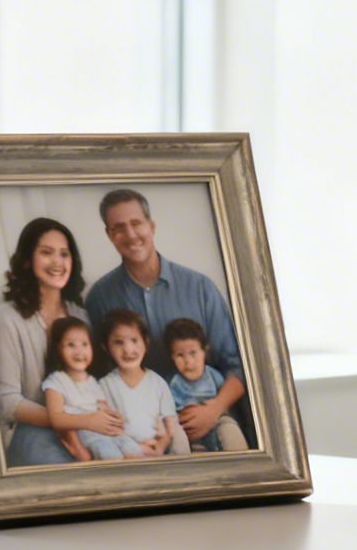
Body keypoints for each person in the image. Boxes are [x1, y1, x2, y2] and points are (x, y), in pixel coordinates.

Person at [84, 188, 250, 448]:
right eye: (118, 228)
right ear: (109, 235)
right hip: (141, 433)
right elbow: (96, 377)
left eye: (136, 223)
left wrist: (213, 410)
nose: (130, 235)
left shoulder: (200, 288)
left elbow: (238, 365)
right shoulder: (99, 298)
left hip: (210, 414)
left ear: (151, 226)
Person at [0, 217, 119, 467]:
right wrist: (78, 420)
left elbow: (94, 383)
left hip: (87, 429)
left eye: (64, 254)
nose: (58, 262)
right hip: (34, 432)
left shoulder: (80, 316)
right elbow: (7, 402)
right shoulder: (6, 319)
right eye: (46, 253)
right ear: (27, 260)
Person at [40, 317, 142, 461]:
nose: (79, 351)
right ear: (58, 348)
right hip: (86, 433)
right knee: (112, 457)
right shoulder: (56, 381)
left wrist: (114, 417)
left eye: (84, 344)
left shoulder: (93, 381)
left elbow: (102, 407)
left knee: (135, 452)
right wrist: (85, 431)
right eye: (71, 345)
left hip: (108, 431)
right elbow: (56, 419)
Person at [96, 309, 189, 458]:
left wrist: (160, 447)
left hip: (159, 447)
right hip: (125, 450)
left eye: (134, 340)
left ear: (145, 343)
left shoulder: (157, 383)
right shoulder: (103, 386)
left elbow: (170, 423)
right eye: (118, 342)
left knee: (179, 437)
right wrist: (136, 448)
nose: (128, 349)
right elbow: (107, 428)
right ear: (106, 347)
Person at [163, 318, 249, 452]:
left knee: (229, 428)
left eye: (193, 353)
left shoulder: (214, 377)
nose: (188, 362)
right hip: (185, 427)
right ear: (172, 357)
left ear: (204, 351)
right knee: (175, 435)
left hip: (215, 423)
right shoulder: (171, 383)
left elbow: (224, 405)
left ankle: (243, 466)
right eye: (180, 355)